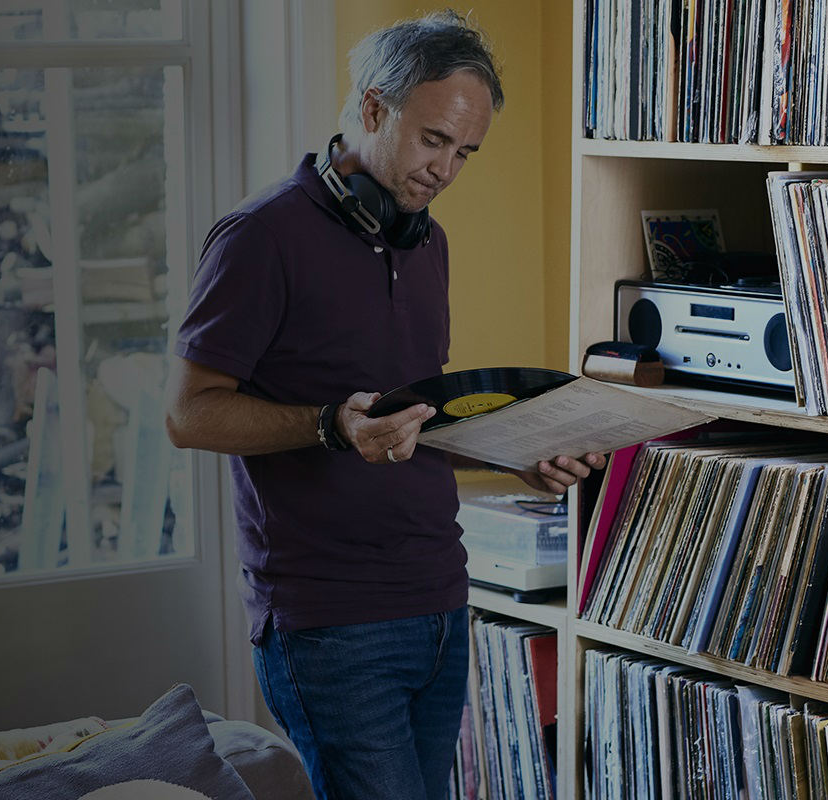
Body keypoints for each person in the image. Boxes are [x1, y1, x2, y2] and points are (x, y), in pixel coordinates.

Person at [165, 11, 606, 800]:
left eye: (465, 152)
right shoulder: (259, 238)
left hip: (440, 596)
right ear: (373, 110)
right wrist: (328, 424)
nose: (447, 170)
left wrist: (522, 454)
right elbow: (189, 413)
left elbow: (417, 424)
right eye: (434, 140)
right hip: (329, 621)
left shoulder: (426, 242)